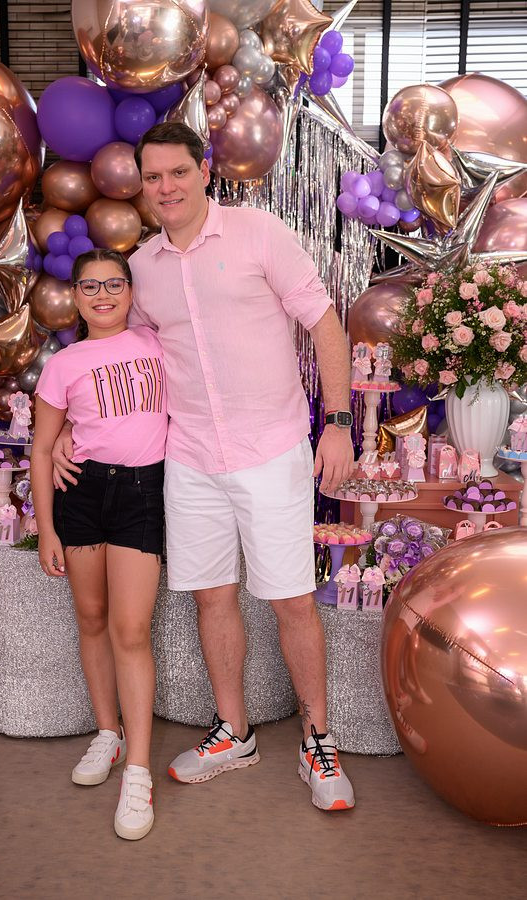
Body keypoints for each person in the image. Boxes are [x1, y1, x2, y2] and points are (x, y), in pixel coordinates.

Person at [52, 123, 356, 812]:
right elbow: (123, 356)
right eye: (153, 177)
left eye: (178, 173)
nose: (166, 187)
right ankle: (234, 732)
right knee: (211, 596)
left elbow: (324, 322)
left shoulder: (258, 233)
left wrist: (337, 423)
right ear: (142, 185)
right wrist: (72, 426)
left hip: (271, 448)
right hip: (189, 457)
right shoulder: (145, 268)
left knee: (291, 600)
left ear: (205, 170)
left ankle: (317, 739)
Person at [31, 249, 167, 841]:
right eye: (90, 286)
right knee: (91, 618)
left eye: (114, 284)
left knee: (130, 630)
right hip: (81, 496)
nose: (103, 295)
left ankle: (138, 771)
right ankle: (107, 733)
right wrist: (47, 529)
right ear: (75, 297)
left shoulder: (157, 343)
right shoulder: (64, 364)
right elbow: (42, 449)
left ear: (132, 291)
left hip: (142, 493)